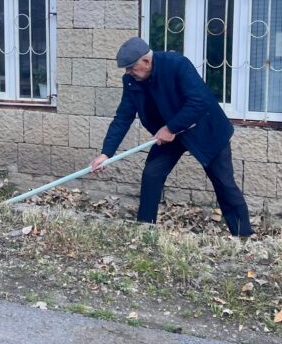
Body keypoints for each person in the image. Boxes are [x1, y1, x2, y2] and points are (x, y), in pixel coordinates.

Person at [90, 37, 253, 237]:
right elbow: (123, 117)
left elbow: (198, 101)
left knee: (223, 182)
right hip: (169, 135)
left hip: (205, 129)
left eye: (131, 67)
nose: (128, 72)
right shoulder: (132, 81)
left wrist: (170, 127)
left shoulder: (177, 65)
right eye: (126, 69)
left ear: (146, 61)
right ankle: (146, 231)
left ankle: (243, 236)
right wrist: (106, 153)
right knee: (152, 175)